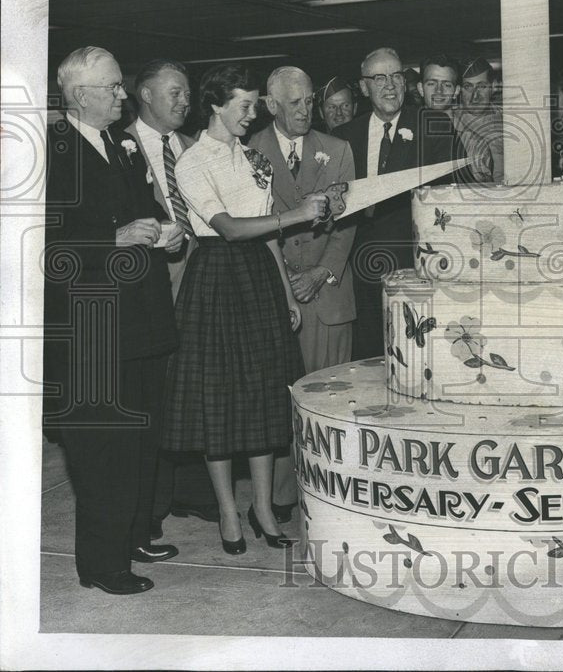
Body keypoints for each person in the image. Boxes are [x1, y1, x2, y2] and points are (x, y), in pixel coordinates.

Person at [161, 63, 335, 554]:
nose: (252, 113)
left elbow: (267, 236)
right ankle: (227, 511)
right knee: (220, 402)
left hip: (259, 275)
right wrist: (298, 213)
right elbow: (231, 228)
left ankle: (262, 508)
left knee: (262, 397)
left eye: (255, 104)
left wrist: (284, 295)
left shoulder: (253, 157)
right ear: (215, 106)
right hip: (217, 277)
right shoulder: (193, 162)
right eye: (244, 104)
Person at [44, 46, 180, 594]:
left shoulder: (121, 144)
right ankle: (102, 566)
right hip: (93, 328)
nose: (123, 95)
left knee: (144, 437)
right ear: (81, 95)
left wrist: (168, 230)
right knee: (104, 449)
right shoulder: (51, 151)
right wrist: (112, 240)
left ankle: (135, 533)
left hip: (142, 319)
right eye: (114, 87)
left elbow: (146, 207)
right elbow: (40, 247)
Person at [118, 57, 220, 542]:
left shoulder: (190, 146)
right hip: (155, 289)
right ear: (146, 96)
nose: (185, 101)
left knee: (196, 390)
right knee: (157, 397)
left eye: (187, 93)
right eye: (175, 93)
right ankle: (151, 508)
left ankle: (193, 492)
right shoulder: (121, 147)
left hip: (197, 283)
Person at [251, 66, 357, 523]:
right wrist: (285, 283)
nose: (304, 110)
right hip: (273, 293)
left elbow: (348, 220)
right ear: (271, 105)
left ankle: (329, 500)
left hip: (327, 295)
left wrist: (320, 272)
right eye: (294, 103)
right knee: (276, 401)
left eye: (309, 101)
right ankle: (279, 499)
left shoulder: (337, 150)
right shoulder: (247, 149)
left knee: (327, 407)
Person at [335, 47, 462, 360]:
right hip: (362, 273)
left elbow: (450, 200)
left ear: (406, 84)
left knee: (416, 355)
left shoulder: (434, 125)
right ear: (364, 88)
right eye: (379, 78)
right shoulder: (343, 137)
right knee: (369, 358)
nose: (390, 85)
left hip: (415, 266)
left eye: (396, 77)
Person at [453, 57, 504, 183]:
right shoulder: (449, 123)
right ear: (459, 90)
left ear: (492, 86)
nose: (475, 96)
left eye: (481, 86)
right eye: (468, 87)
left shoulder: (508, 118)